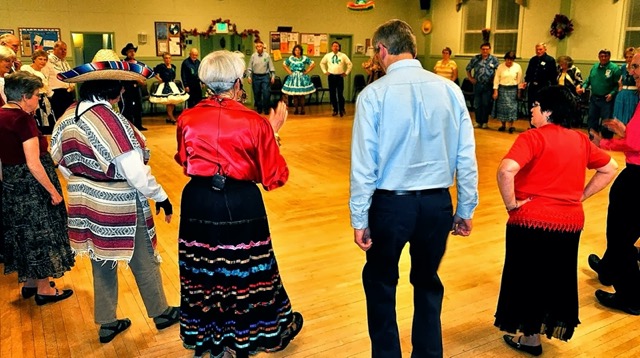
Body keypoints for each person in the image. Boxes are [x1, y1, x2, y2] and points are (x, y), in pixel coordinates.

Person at [350, 19, 478, 358]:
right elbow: (466, 157)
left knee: (380, 283)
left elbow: (364, 166)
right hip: (437, 205)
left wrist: (359, 217)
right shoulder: (450, 90)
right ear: (412, 47)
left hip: (390, 206)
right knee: (427, 283)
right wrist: (465, 208)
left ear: (381, 50)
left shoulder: (373, 95)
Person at [175, 50, 303, 358]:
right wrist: (271, 135)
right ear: (236, 83)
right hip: (241, 202)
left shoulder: (186, 118)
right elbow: (274, 176)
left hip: (198, 201)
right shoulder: (254, 122)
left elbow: (184, 159)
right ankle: (245, 337)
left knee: (203, 269)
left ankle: (208, 338)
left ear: (206, 83)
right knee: (246, 269)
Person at [50, 49, 179, 343]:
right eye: (123, 85)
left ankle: (107, 321)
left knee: (102, 258)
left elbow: (58, 157)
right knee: (143, 256)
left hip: (85, 202)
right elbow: (134, 171)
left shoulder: (69, 115)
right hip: (118, 202)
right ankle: (160, 312)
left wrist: (85, 180)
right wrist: (160, 196)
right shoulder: (109, 119)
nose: (124, 90)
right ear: (116, 87)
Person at [495, 85, 618, 356]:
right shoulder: (580, 140)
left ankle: (530, 339)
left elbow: (506, 170)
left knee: (526, 279)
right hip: (569, 222)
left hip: (530, 220)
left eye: (536, 105)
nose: (531, 109)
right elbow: (610, 168)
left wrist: (511, 204)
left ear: (548, 111)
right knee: (554, 278)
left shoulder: (532, 138)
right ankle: (537, 333)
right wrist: (580, 196)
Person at [0, 71, 75, 304]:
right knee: (41, 234)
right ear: (23, 97)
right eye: (36, 95)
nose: (38, 100)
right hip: (33, 185)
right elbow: (33, 163)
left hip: (12, 183)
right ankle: (45, 289)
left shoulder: (1, 115)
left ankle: (30, 283)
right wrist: (53, 191)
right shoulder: (23, 120)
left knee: (22, 232)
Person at [587, 49, 640, 316]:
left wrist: (609, 140)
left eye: (637, 66)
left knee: (620, 236)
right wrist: (621, 134)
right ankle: (608, 269)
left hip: (637, 179)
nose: (632, 72)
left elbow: (636, 143)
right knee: (627, 232)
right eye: (632, 66)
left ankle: (631, 296)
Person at [577, 49, 621, 139]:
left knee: (606, 121)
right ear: (598, 57)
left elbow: (618, 85)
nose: (603, 58)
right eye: (601, 56)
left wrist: (612, 94)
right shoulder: (595, 67)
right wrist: (584, 87)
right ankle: (593, 138)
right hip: (594, 98)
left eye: (605, 56)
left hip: (607, 99)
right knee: (592, 119)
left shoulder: (614, 68)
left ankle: (607, 140)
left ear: (609, 57)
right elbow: (589, 80)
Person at [20, 49, 56, 134]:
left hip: (44, 99)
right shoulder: (26, 69)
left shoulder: (43, 72)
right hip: (32, 97)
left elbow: (47, 88)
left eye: (45, 60)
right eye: (40, 59)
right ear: (34, 59)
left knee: (47, 122)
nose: (43, 62)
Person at [466, 42, 499, 129]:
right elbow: (468, 69)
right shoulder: (475, 58)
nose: (485, 51)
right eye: (483, 49)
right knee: (477, 103)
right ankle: (477, 121)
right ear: (481, 50)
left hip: (488, 85)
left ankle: (484, 122)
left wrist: (494, 80)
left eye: (487, 49)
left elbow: (499, 71)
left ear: (489, 50)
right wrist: (470, 78)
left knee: (486, 103)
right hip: (477, 84)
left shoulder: (494, 59)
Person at [150, 52, 189, 124]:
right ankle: (172, 117)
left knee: (173, 101)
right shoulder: (161, 66)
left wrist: (174, 84)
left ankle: (168, 117)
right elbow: (153, 72)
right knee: (169, 102)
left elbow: (173, 76)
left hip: (172, 84)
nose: (167, 60)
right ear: (163, 59)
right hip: (164, 84)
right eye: (166, 58)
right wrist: (159, 79)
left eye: (169, 58)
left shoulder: (173, 67)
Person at [43, 41, 76, 119]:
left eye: (65, 49)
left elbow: (71, 75)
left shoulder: (64, 62)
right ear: (54, 49)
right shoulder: (48, 61)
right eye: (61, 49)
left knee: (68, 117)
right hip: (56, 94)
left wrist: (72, 86)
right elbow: (44, 79)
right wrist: (50, 94)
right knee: (58, 118)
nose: (63, 52)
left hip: (67, 93)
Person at [492, 51, 523, 133]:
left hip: (513, 89)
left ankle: (511, 126)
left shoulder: (517, 67)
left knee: (511, 108)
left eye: (511, 60)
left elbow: (519, 80)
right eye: (508, 59)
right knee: (502, 108)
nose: (509, 61)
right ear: (505, 59)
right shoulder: (500, 67)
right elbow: (496, 80)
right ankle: (503, 125)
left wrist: (519, 91)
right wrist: (495, 91)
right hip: (502, 89)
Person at [119, 42, 147, 131]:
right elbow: (123, 76)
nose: (132, 53)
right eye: (130, 51)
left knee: (138, 106)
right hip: (127, 88)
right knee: (127, 107)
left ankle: (138, 125)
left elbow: (143, 74)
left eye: (133, 51)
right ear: (126, 53)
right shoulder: (123, 63)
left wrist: (142, 80)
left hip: (136, 88)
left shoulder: (138, 63)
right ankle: (128, 126)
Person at [320, 41, 353, 117]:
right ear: (331, 47)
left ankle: (342, 109)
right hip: (331, 76)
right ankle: (335, 109)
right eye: (334, 46)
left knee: (340, 93)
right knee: (332, 94)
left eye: (337, 46)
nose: (335, 47)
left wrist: (346, 73)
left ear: (339, 47)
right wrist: (325, 71)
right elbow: (322, 63)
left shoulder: (343, 55)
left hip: (339, 77)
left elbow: (349, 64)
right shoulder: (328, 56)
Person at [523, 43, 557, 113]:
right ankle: (532, 122)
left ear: (545, 49)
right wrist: (526, 81)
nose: (538, 51)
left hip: (544, 86)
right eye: (537, 50)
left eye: (540, 49)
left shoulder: (550, 60)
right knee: (531, 106)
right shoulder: (533, 60)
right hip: (533, 87)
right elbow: (529, 72)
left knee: (542, 106)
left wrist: (553, 88)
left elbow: (553, 75)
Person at [282, 44, 315, 115]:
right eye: (296, 50)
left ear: (301, 51)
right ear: (294, 51)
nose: (297, 51)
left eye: (299, 50)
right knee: (295, 95)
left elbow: (312, 64)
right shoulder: (291, 58)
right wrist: (289, 72)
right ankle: (296, 109)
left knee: (302, 95)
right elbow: (284, 64)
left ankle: (303, 109)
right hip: (293, 77)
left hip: (302, 77)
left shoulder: (304, 58)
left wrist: (307, 71)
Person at [247, 40, 276, 115]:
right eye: (258, 47)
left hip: (265, 76)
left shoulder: (267, 56)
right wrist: (249, 76)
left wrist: (273, 76)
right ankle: (259, 109)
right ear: (256, 48)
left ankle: (266, 109)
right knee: (257, 93)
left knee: (266, 93)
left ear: (263, 47)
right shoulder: (253, 56)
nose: (259, 48)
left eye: (260, 46)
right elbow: (249, 67)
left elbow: (271, 67)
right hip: (256, 76)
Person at [613, 47, 638, 125]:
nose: (628, 59)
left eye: (631, 57)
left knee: (630, 116)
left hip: (633, 94)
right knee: (619, 117)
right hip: (622, 93)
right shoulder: (623, 67)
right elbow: (620, 79)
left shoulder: (637, 67)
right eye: (626, 57)